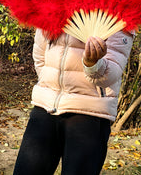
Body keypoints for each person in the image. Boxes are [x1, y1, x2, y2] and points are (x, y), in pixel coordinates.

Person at [13, 29, 134, 175]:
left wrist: (92, 64)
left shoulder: (118, 14)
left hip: (88, 115)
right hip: (45, 108)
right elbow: (40, 56)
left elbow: (111, 74)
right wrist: (49, 86)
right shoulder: (51, 6)